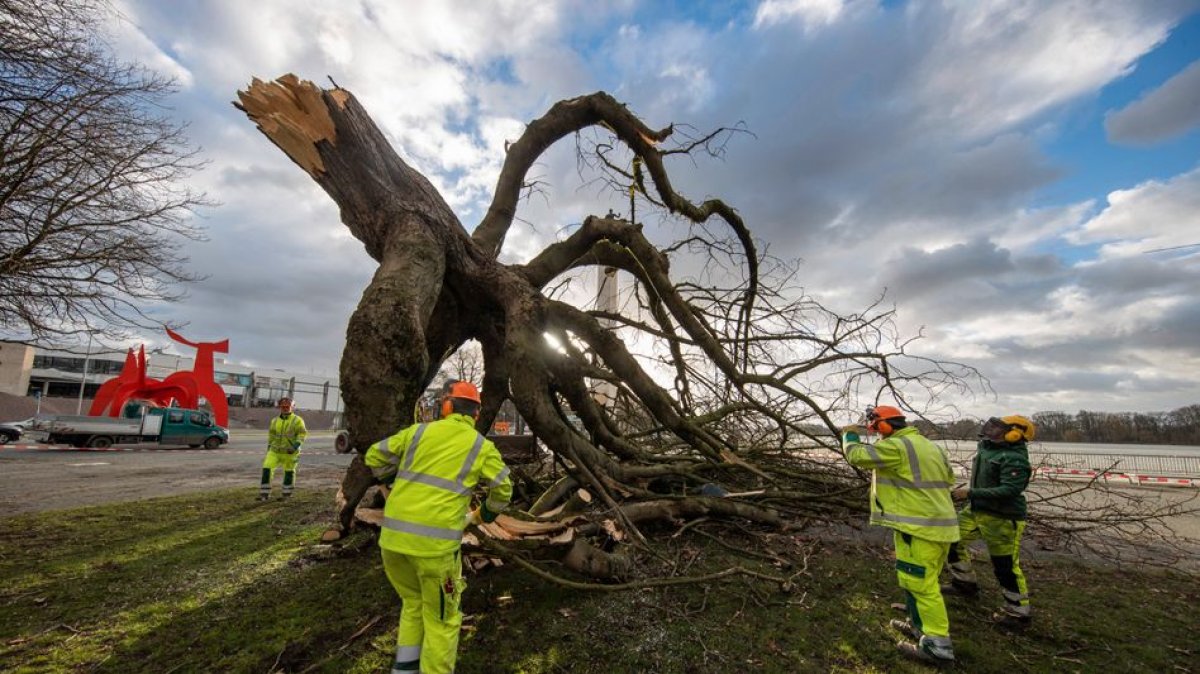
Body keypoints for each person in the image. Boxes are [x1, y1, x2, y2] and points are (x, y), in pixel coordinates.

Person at [365, 380, 512, 674]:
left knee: (413, 604)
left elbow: (373, 455)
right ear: (477, 414)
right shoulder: (481, 446)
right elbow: (504, 490)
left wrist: (392, 482)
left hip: (392, 542)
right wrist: (483, 515)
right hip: (434, 551)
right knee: (443, 620)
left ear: (446, 406)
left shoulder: (417, 432)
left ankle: (404, 670)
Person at [843, 405, 959, 665]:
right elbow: (948, 480)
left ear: (884, 426)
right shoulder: (930, 446)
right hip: (940, 526)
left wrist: (850, 435)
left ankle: (938, 647)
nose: (877, 436)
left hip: (919, 528)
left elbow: (858, 456)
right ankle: (919, 626)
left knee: (922, 585)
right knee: (916, 579)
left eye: (876, 431)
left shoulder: (898, 446)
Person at [944, 415, 1035, 625]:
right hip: (976, 509)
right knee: (950, 540)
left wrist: (970, 493)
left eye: (998, 428)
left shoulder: (1015, 458)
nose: (990, 430)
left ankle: (1018, 611)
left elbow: (1010, 490)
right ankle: (964, 584)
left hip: (1002, 518)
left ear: (1015, 433)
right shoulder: (987, 448)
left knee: (1005, 566)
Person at [258, 396, 307, 501]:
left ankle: (286, 495)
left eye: (288, 406)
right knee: (267, 468)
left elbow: (302, 435)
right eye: (283, 406)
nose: (285, 408)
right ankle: (264, 494)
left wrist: (295, 447)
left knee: (289, 472)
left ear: (292, 407)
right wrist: (269, 448)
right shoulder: (274, 421)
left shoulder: (297, 420)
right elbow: (271, 435)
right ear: (280, 407)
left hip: (290, 452)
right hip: (274, 451)